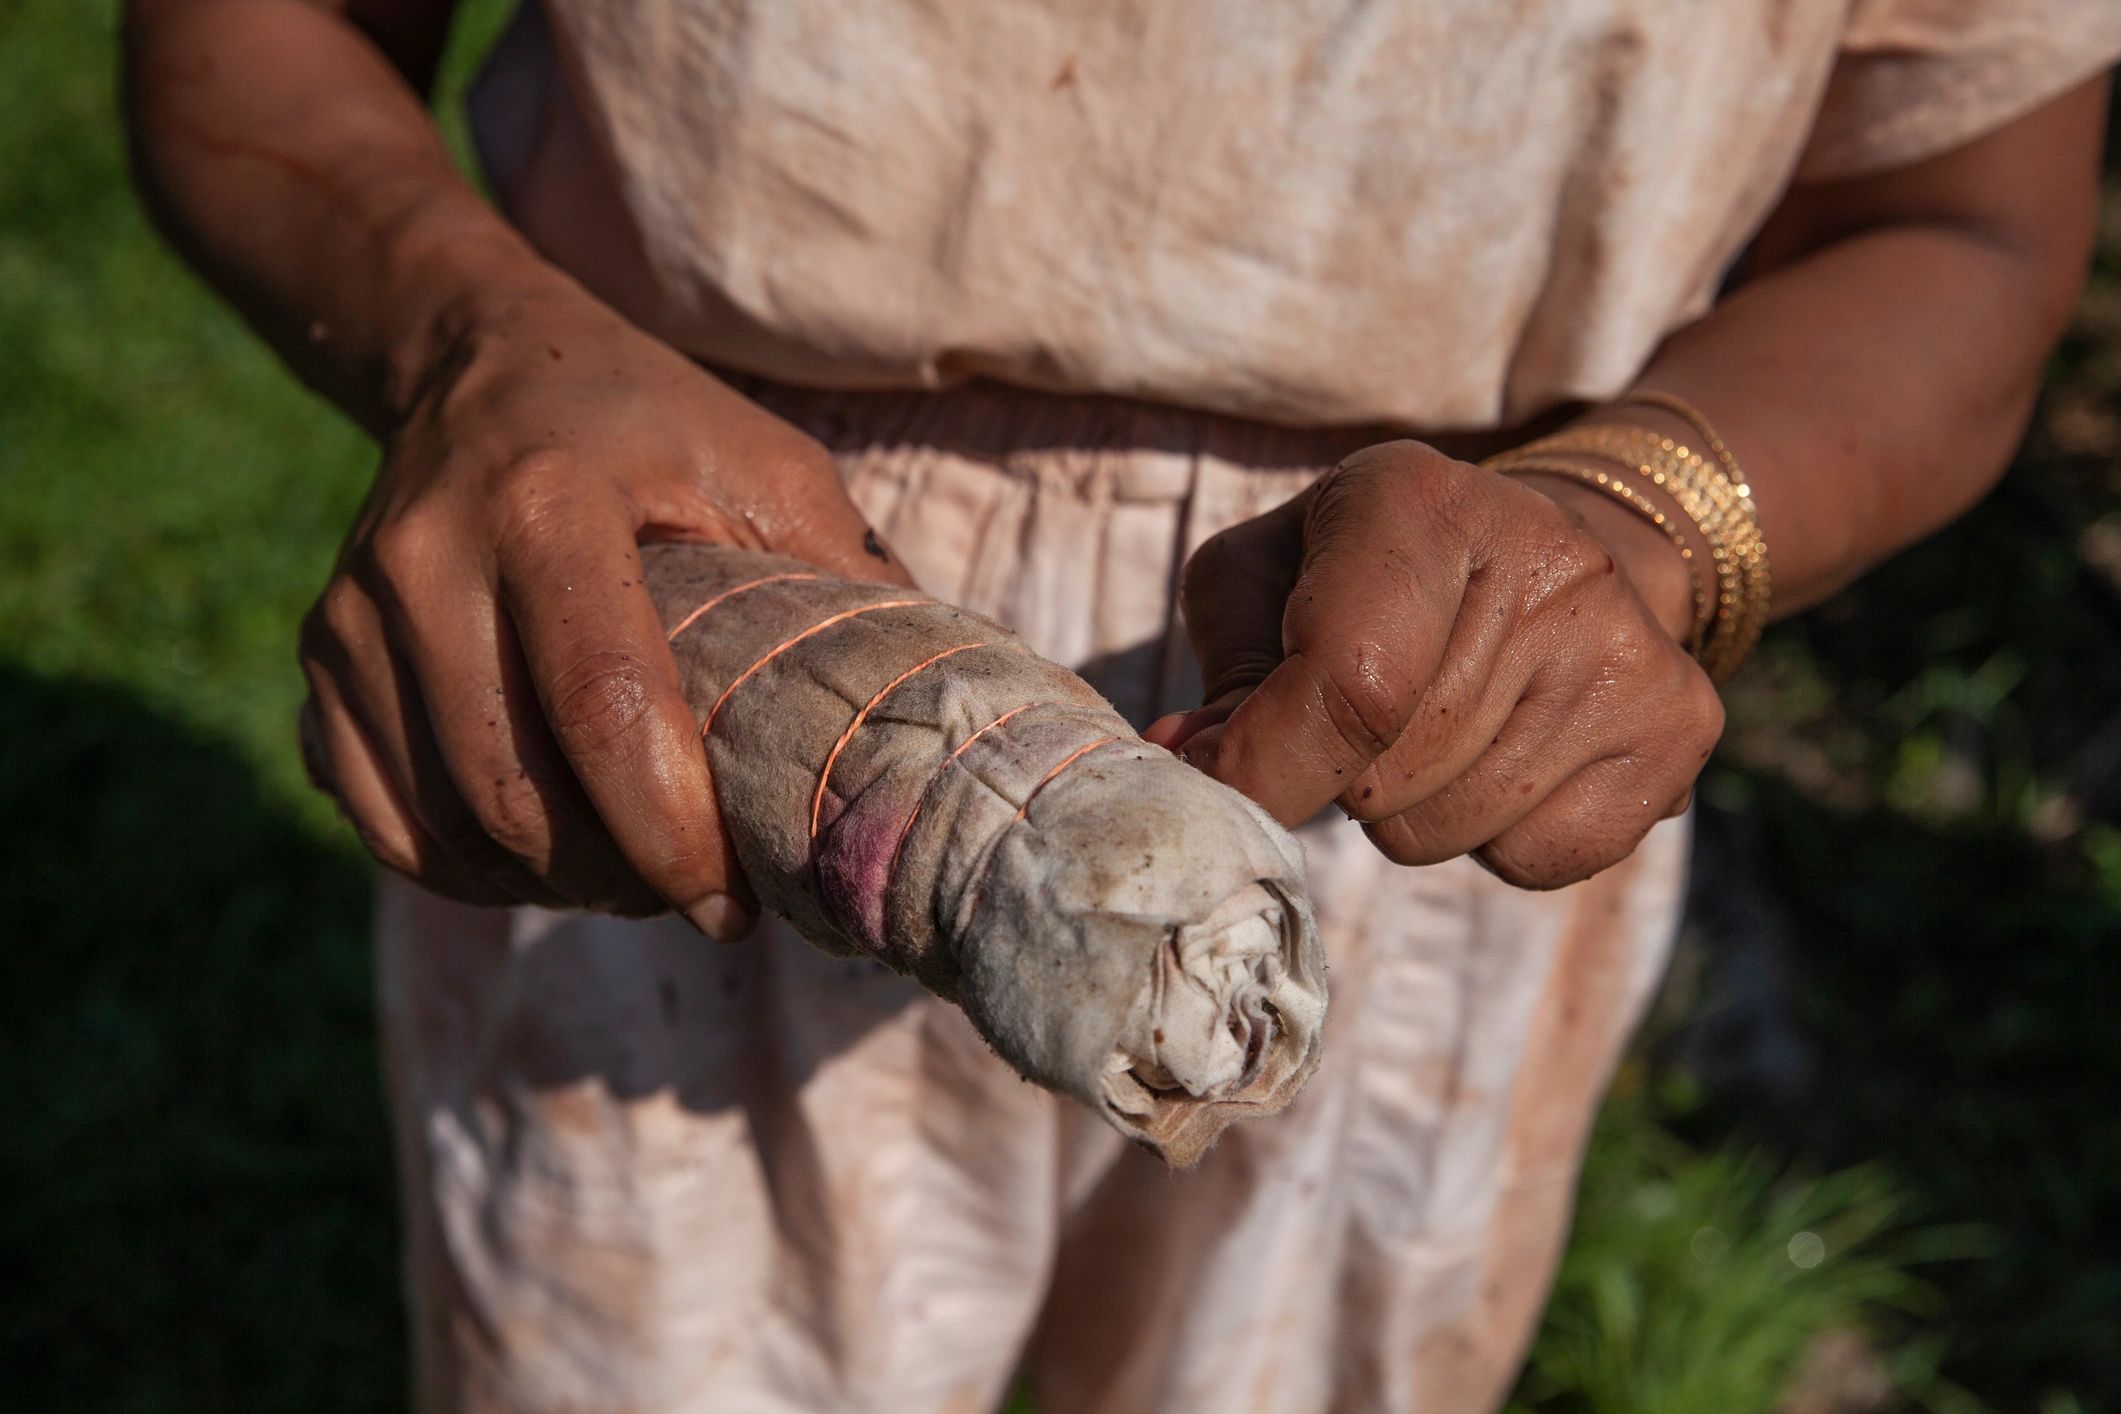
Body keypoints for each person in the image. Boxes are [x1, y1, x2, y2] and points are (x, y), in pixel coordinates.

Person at [126, 1, 2118, 1408]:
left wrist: (1636, 522)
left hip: (1436, 714)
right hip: (697, 626)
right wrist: (478, 342)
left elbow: (1955, 218)